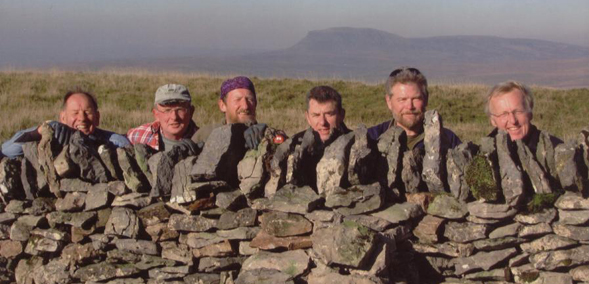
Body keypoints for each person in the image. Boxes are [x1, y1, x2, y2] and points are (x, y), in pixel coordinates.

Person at [1, 89, 130, 158]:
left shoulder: (114, 141)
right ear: (62, 117)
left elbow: (129, 152)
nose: (82, 118)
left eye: (87, 112)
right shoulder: (52, 133)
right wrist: (39, 132)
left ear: (97, 117)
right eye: (75, 113)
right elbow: (7, 150)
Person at [368, 67, 461, 149]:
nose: (410, 106)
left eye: (416, 99)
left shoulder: (448, 140)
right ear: (389, 102)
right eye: (402, 99)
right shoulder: (371, 138)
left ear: (426, 99)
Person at [289, 86, 350, 189]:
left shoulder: (360, 146)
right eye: (316, 115)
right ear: (308, 117)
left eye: (329, 114)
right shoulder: (293, 146)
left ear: (341, 115)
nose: (323, 122)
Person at [192, 76, 278, 149]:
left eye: (250, 99)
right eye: (238, 100)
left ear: (256, 103)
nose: (245, 106)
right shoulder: (205, 135)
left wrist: (269, 135)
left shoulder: (267, 135)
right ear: (222, 105)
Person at [485, 80, 562, 151]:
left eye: (518, 112)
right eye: (504, 114)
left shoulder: (557, 149)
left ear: (530, 113)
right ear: (493, 120)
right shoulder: (482, 155)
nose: (513, 120)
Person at [127, 84, 199, 152]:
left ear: (191, 112)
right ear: (156, 114)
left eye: (180, 109)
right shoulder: (138, 135)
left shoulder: (204, 140)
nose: (174, 117)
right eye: (167, 110)